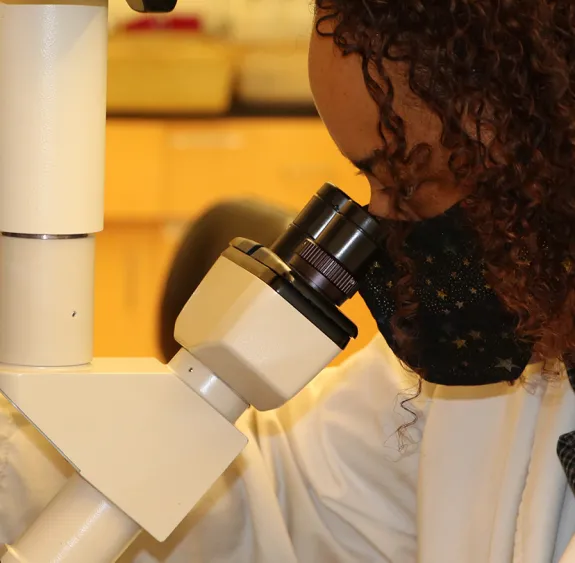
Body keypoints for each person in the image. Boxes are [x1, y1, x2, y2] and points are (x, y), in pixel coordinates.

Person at [3, 0, 575, 561]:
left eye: (409, 176)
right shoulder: (507, 358)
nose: (382, 220)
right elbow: (286, 492)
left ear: (542, 142)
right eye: (370, 177)